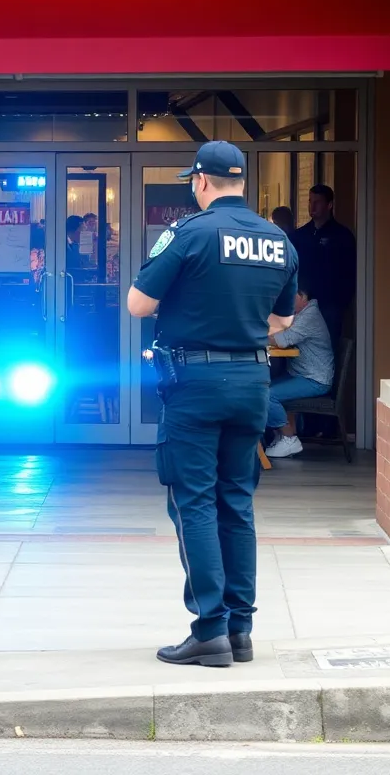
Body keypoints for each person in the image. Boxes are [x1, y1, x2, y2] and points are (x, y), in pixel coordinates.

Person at [127, 141, 298, 668]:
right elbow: (282, 323)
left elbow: (139, 303)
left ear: (201, 182)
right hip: (252, 382)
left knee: (194, 502)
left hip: (194, 383)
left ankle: (210, 630)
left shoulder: (188, 232)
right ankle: (241, 630)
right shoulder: (278, 240)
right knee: (237, 501)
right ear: (241, 182)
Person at [265, 284, 335, 459]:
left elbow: (283, 340)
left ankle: (289, 437)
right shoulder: (301, 314)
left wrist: (254, 336)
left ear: (302, 296)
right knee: (263, 389)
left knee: (266, 395)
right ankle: (281, 436)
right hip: (301, 375)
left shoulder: (309, 316)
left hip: (314, 379)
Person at [289, 185, 355, 342]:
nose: (312, 206)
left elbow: (351, 274)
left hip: (329, 308)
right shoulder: (299, 236)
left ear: (329, 205)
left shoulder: (342, 236)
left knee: (326, 349)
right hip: (301, 308)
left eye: (317, 202)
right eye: (310, 201)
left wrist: (339, 304)